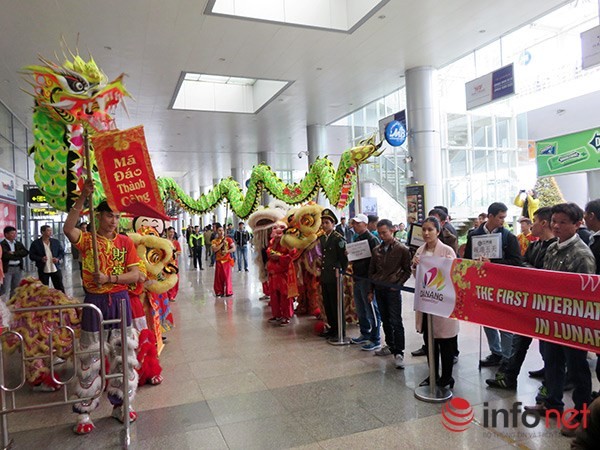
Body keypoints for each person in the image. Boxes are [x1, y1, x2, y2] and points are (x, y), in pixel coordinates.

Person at [63, 178, 141, 435]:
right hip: (94, 302)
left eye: (117, 217)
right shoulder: (86, 240)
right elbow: (67, 228)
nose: (114, 221)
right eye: (110, 215)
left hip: (120, 301)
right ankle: (84, 412)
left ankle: (121, 404)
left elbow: (135, 275)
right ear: (99, 216)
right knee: (90, 357)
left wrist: (110, 279)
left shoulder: (126, 243)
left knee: (123, 356)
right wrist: (83, 197)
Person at [524, 203, 595, 437]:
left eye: (563, 222)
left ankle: (582, 415)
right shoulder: (553, 248)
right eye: (554, 220)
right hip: (551, 321)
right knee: (552, 363)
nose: (556, 225)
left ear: (577, 225)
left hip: (573, 326)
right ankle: (553, 404)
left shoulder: (582, 255)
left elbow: (587, 297)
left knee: (577, 370)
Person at [485, 207, 556, 390]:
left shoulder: (555, 248)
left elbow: (548, 275)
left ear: (543, 223)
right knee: (520, 342)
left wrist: (532, 271)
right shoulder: (535, 245)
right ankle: (509, 377)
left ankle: (550, 385)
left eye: (534, 220)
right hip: (530, 302)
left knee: (549, 348)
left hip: (548, 306)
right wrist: (533, 271)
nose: (531, 225)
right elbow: (521, 263)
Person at [464, 202, 523, 368]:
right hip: (482, 284)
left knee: (504, 322)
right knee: (487, 320)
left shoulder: (508, 237)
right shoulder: (474, 235)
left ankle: (507, 356)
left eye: (504, 217)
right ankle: (495, 352)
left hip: (502, 285)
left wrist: (494, 262)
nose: (503, 221)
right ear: (490, 216)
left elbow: (516, 262)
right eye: (500, 217)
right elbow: (467, 259)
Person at [412, 216, 459, 389]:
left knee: (445, 343)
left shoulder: (447, 251)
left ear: (438, 232)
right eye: (424, 229)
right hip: (426, 305)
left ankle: (447, 377)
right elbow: (417, 277)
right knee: (430, 342)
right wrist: (415, 266)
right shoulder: (420, 251)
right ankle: (433, 375)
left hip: (443, 304)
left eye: (430, 229)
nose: (426, 233)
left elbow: (455, 276)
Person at [368, 219, 412, 368]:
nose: (382, 235)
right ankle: (390, 345)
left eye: (384, 232)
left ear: (392, 230)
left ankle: (399, 351)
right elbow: (372, 271)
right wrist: (371, 290)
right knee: (385, 320)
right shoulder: (376, 250)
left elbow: (407, 270)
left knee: (396, 321)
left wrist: (398, 285)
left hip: (392, 290)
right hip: (379, 288)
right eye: (379, 233)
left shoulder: (402, 249)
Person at [348, 214, 381, 351]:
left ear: (365, 225)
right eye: (354, 223)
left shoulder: (372, 240)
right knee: (361, 308)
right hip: (358, 277)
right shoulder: (357, 239)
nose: (355, 226)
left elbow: (376, 261)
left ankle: (375, 338)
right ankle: (365, 332)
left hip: (367, 280)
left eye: (358, 223)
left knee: (371, 309)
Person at [318, 209, 348, 338]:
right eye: (323, 223)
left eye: (326, 223)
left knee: (336, 304)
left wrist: (341, 271)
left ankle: (339, 330)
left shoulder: (338, 238)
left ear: (333, 223)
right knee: (328, 303)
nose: (324, 225)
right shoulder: (323, 238)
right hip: (325, 276)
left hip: (335, 276)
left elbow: (343, 259)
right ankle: (332, 327)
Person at [266, 221, 296, 325]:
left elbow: (291, 255)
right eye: (275, 228)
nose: (278, 230)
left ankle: (286, 315)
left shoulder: (289, 242)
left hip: (283, 273)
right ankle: (276, 314)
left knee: (285, 295)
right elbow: (269, 251)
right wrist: (273, 253)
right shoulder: (272, 242)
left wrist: (279, 257)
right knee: (274, 295)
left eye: (281, 227)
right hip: (273, 274)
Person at [28, 225, 65, 292]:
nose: (50, 232)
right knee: (44, 288)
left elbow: (62, 252)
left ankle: (62, 300)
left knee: (59, 287)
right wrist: (40, 258)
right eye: (48, 230)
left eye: (51, 230)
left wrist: (58, 258)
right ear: (42, 232)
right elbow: (31, 255)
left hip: (55, 268)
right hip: (43, 269)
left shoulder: (55, 242)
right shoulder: (36, 243)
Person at [1, 226, 29, 299]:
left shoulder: (18, 243)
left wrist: (13, 253)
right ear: (6, 234)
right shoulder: (2, 244)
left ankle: (12, 304)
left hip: (18, 268)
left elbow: (25, 252)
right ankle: (3, 306)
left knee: (16, 288)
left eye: (14, 233)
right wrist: (18, 254)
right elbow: (5, 256)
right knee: (5, 288)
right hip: (7, 269)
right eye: (12, 233)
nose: (14, 235)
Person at [211, 223, 236, 297]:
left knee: (227, 277)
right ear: (217, 231)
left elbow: (233, 248)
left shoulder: (229, 239)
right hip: (219, 261)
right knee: (218, 278)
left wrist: (227, 251)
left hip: (227, 261)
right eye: (219, 230)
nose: (221, 232)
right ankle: (219, 291)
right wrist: (222, 243)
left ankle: (229, 291)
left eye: (222, 230)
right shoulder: (214, 241)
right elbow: (215, 249)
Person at [166, 226, 181, 302]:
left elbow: (179, 252)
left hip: (174, 263)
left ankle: (172, 295)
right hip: (165, 264)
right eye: (170, 232)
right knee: (167, 279)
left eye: (173, 232)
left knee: (175, 279)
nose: (171, 233)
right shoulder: (164, 241)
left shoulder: (176, 242)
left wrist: (173, 253)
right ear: (167, 232)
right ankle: (167, 295)